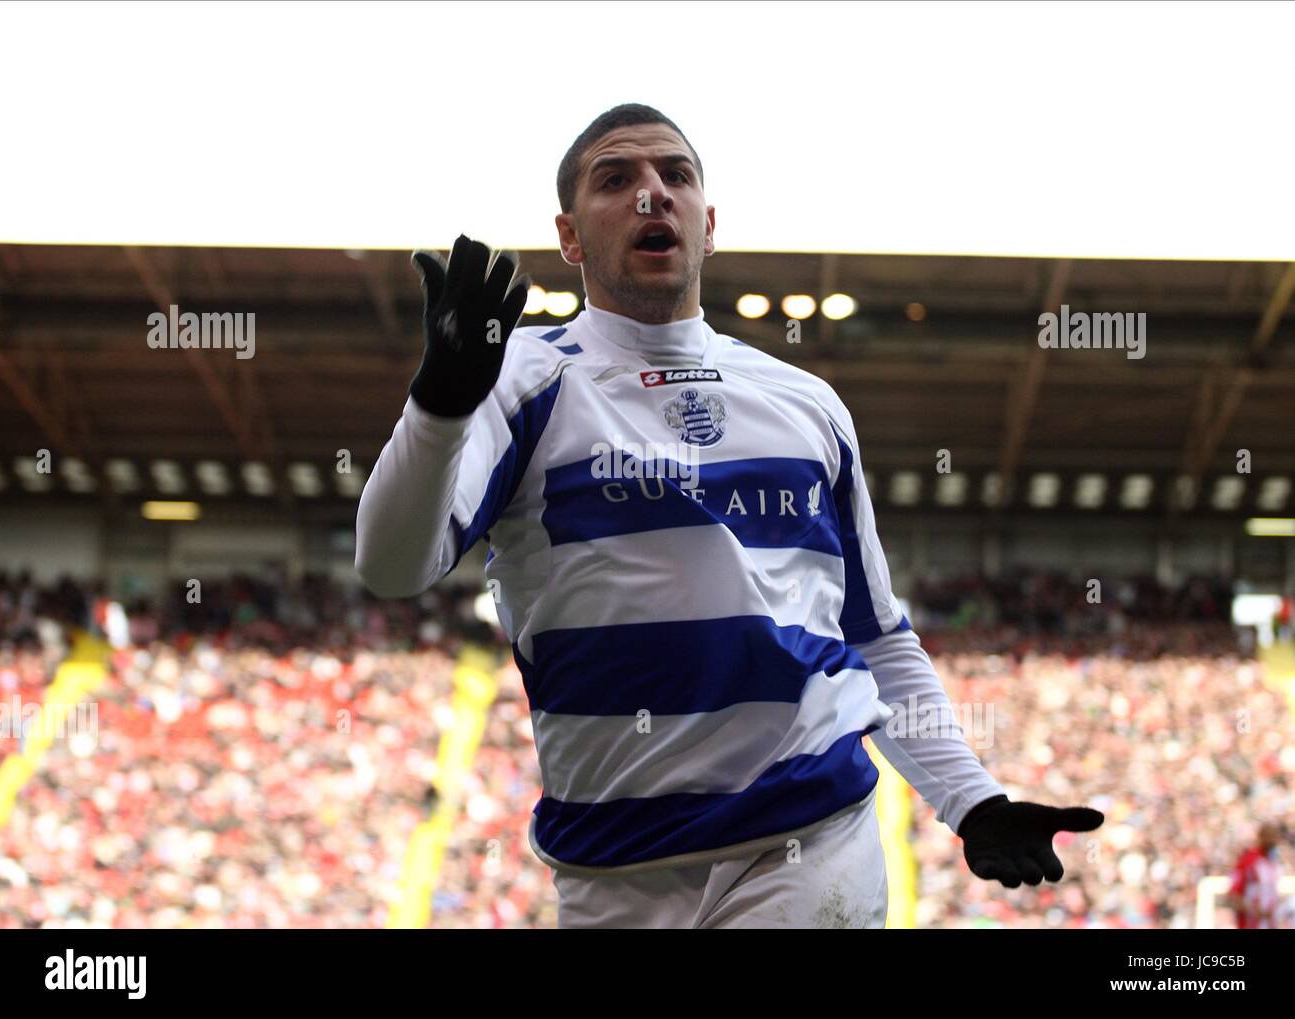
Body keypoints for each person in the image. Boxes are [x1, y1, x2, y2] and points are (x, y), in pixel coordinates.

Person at [355, 103, 1103, 928]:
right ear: (569, 238)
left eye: (674, 176)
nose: (651, 195)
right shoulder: (516, 380)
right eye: (617, 179)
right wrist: (438, 405)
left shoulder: (805, 402)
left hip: (807, 841)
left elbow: (873, 632)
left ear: (708, 225)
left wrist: (973, 799)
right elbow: (392, 567)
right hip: (607, 868)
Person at [1226, 822, 1284, 929]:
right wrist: (1253, 910)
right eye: (1269, 836)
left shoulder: (1275, 862)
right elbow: (1233, 896)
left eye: (1275, 836)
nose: (1273, 840)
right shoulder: (1248, 861)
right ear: (1261, 837)